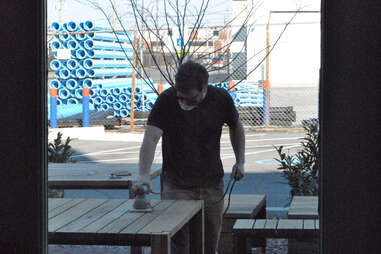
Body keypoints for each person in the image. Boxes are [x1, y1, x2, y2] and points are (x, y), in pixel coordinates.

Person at [131, 61, 245, 254]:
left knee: (208, 245)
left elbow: (236, 126)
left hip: (211, 186)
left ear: (204, 88)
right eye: (180, 98)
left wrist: (240, 161)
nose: (184, 103)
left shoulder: (221, 99)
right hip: (176, 185)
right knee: (178, 245)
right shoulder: (166, 101)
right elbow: (151, 138)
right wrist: (144, 174)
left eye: (190, 100)